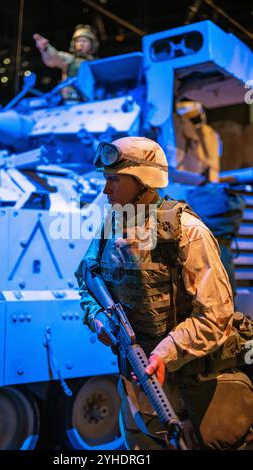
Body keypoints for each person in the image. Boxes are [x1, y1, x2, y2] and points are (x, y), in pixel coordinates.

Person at [75, 136, 253, 450]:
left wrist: (165, 352)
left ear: (144, 180)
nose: (106, 190)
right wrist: (98, 318)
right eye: (106, 179)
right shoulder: (111, 227)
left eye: (115, 180)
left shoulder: (188, 232)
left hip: (191, 396)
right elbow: (87, 280)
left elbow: (215, 315)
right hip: (137, 392)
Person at [33, 24, 98, 101]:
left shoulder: (97, 62)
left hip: (94, 101)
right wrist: (46, 48)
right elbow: (54, 58)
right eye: (78, 41)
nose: (80, 44)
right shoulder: (70, 59)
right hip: (72, 101)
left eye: (84, 41)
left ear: (92, 44)